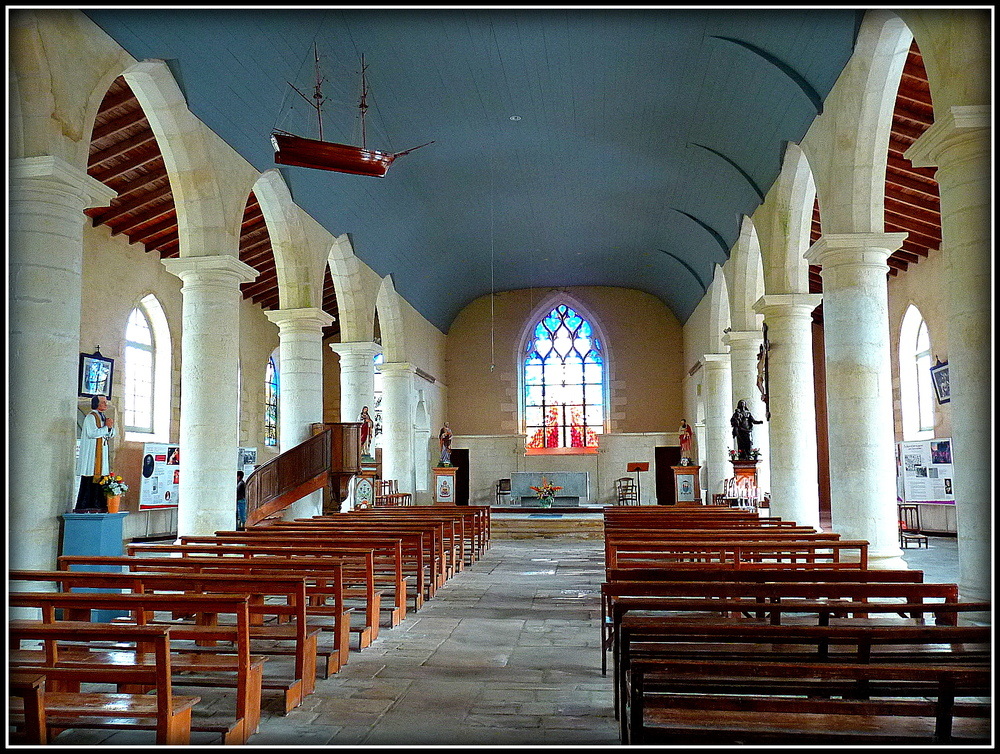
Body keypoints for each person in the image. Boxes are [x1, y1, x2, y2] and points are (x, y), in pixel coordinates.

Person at [75, 395, 115, 513]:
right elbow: (92, 433)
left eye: (106, 402)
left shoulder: (103, 417)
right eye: (103, 402)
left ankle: (99, 505)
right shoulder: (90, 417)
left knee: (101, 478)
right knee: (90, 478)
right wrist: (106, 427)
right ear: (96, 404)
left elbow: (111, 434)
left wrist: (110, 428)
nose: (105, 405)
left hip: (102, 454)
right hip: (92, 455)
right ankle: (86, 506)